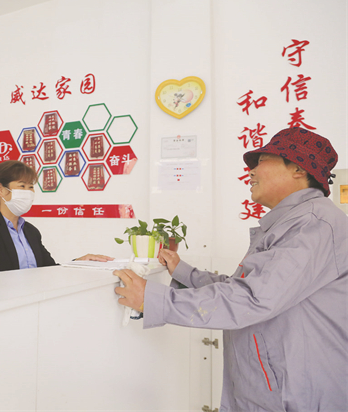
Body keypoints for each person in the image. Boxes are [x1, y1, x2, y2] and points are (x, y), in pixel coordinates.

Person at [114, 127, 347, 411]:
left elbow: (252, 298)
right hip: (278, 386)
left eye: (262, 160)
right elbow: (245, 287)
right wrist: (183, 272)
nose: (251, 170)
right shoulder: (293, 222)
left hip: (297, 394)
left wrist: (152, 299)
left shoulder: (312, 225)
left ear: (298, 169)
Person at [0, 160, 113, 274]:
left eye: (31, 187)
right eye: (22, 186)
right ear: (1, 189)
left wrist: (79, 262)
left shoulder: (30, 231)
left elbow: (49, 270)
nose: (27, 192)